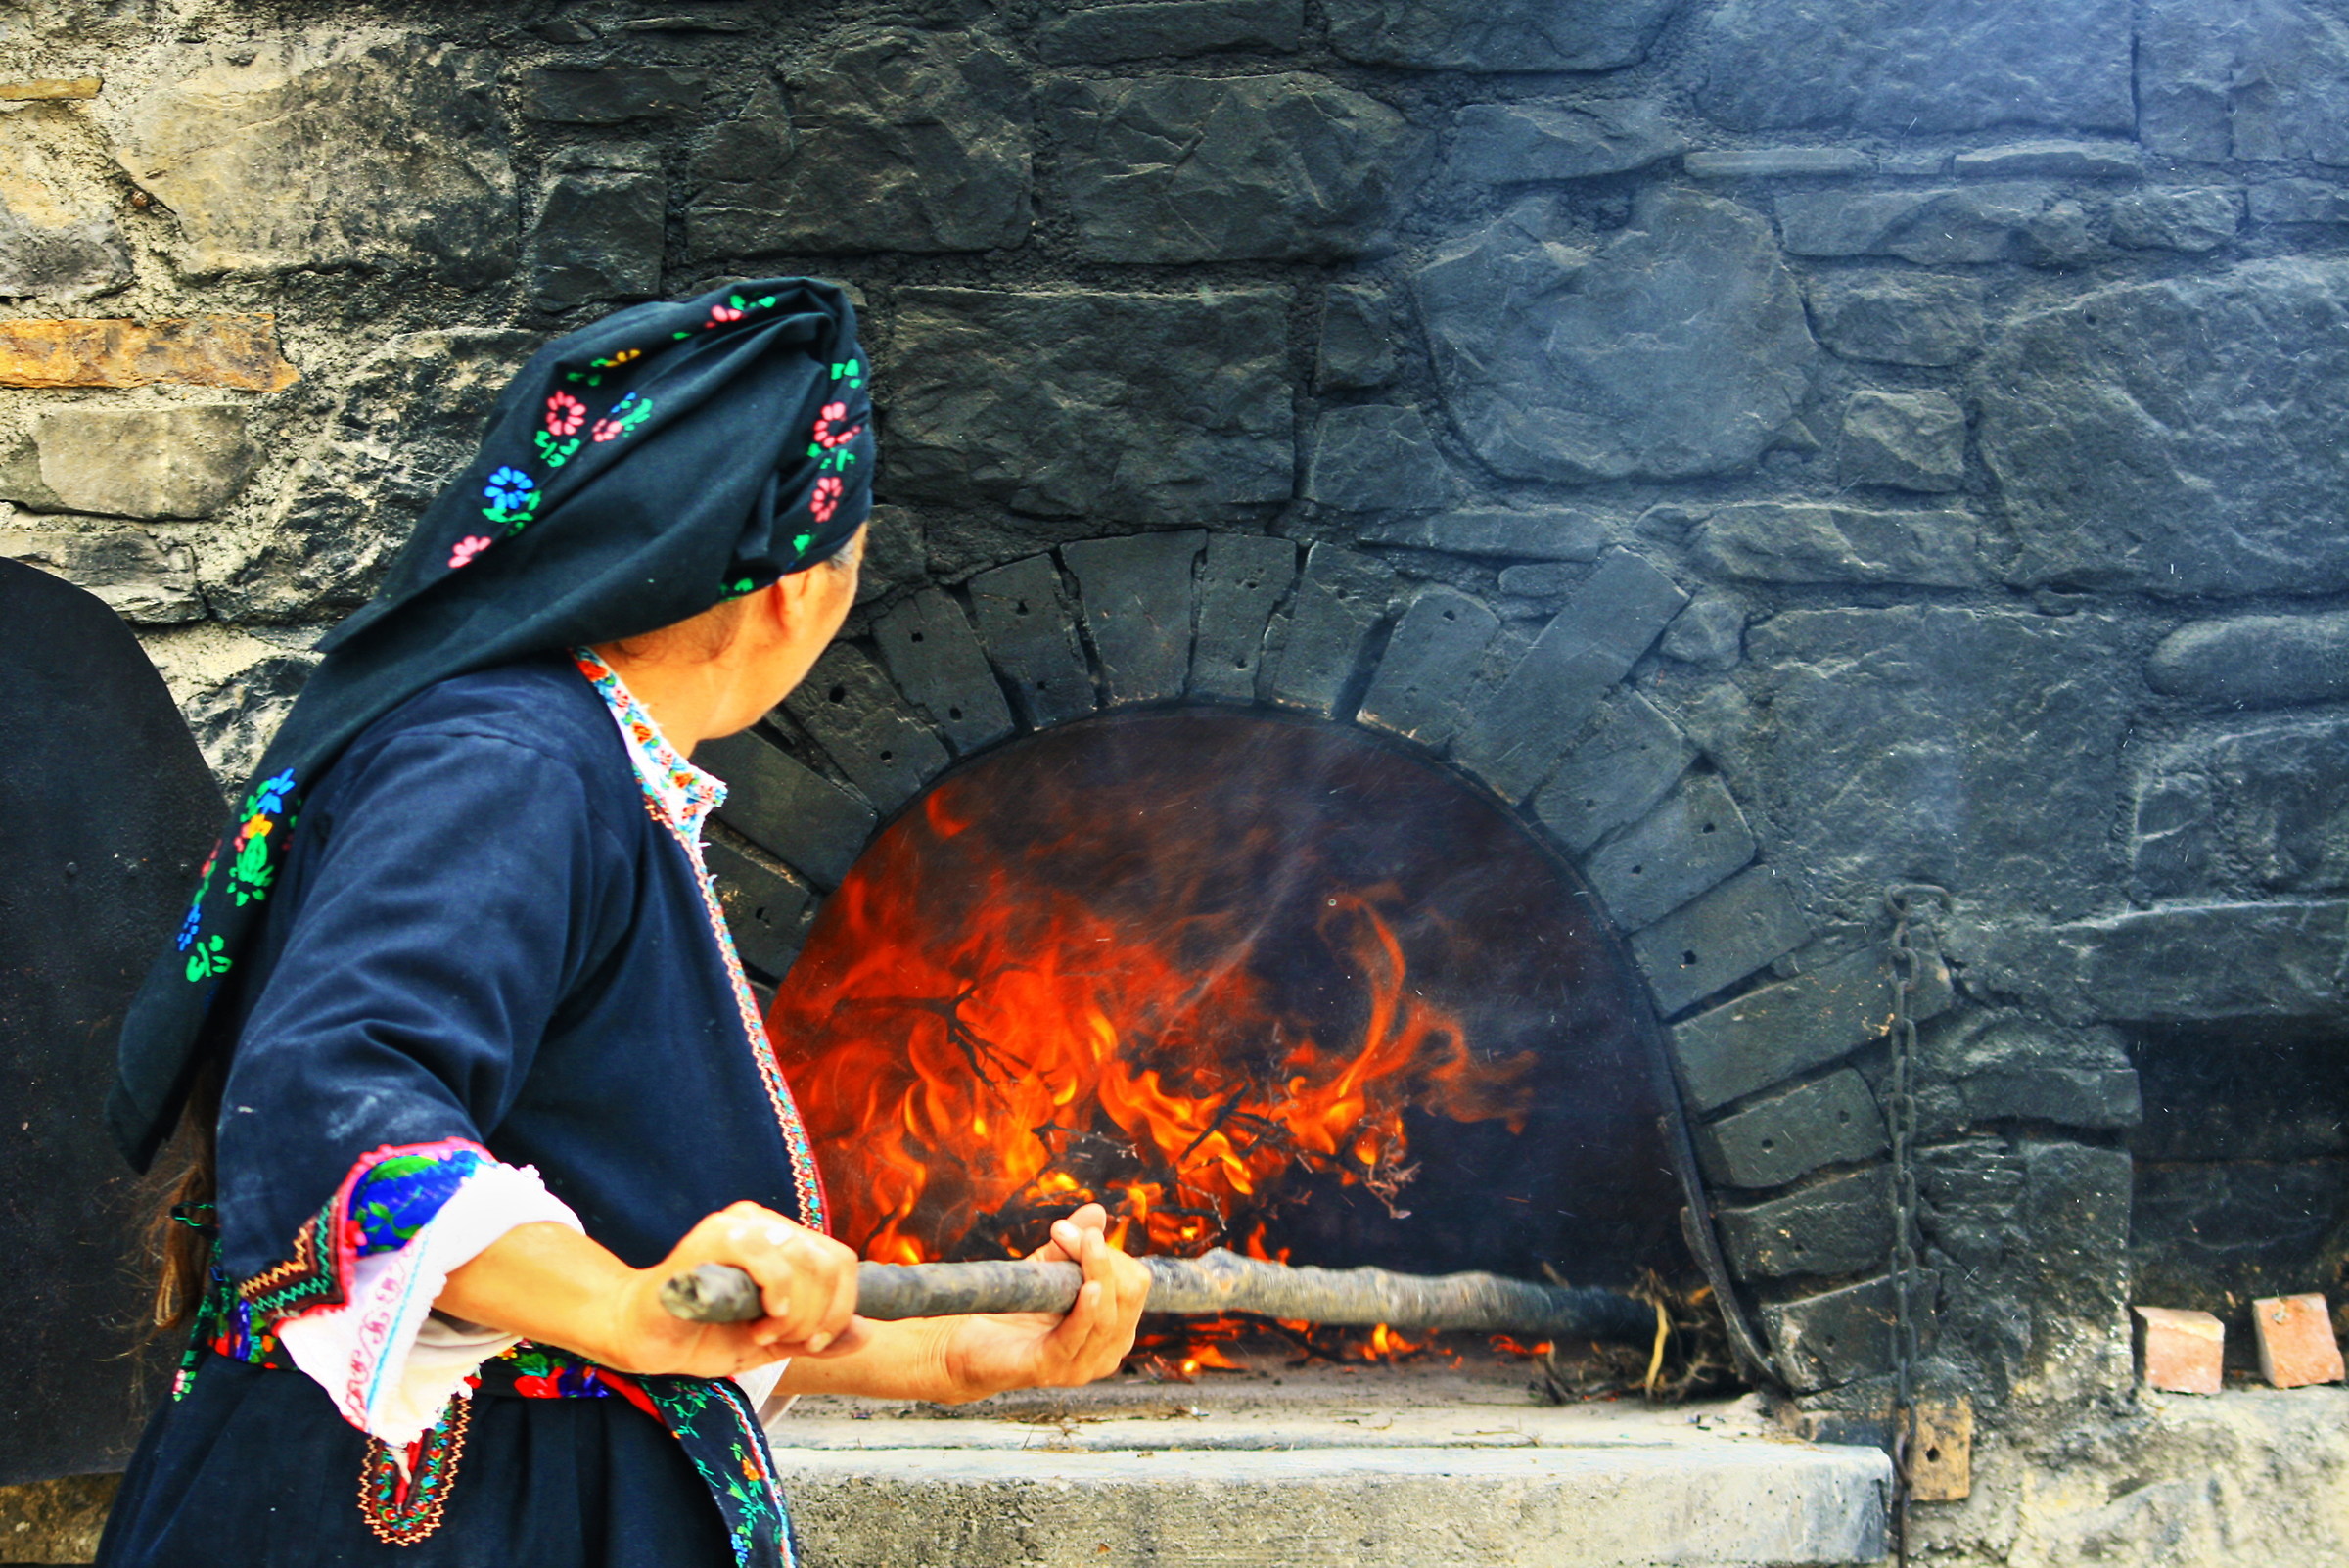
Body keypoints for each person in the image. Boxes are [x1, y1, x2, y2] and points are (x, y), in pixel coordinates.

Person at [97, 278, 1151, 1568]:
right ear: (793, 590)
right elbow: (337, 1093)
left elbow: (636, 1297)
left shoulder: (577, 763)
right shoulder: (510, 761)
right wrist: (629, 1306)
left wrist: (950, 1353)